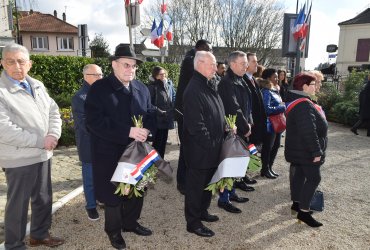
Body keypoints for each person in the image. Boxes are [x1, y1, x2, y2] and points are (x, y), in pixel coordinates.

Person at [85, 44, 156, 249]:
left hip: (137, 150)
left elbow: (149, 113)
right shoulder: (100, 88)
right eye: (126, 65)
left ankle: (131, 223)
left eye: (134, 66)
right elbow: (94, 121)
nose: (131, 69)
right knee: (114, 194)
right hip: (109, 152)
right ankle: (114, 231)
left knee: (137, 189)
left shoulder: (141, 88)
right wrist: (128, 131)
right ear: (114, 65)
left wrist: (147, 131)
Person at [0, 43, 64, 249]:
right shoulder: (2, 92)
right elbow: (4, 129)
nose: (16, 66)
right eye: (10, 61)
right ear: (2, 63)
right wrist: (40, 141)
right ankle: (14, 245)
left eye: (21, 61)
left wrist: (53, 133)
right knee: (18, 205)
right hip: (19, 158)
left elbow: (54, 110)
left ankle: (39, 235)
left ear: (30, 64)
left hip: (43, 154)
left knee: (44, 198)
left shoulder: (37, 84)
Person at [183, 51, 225, 237]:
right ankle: (193, 222)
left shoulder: (208, 84)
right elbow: (196, 125)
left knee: (208, 184)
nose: (215, 68)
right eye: (212, 64)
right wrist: (211, 144)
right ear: (200, 64)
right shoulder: (193, 89)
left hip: (212, 147)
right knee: (195, 188)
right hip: (200, 150)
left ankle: (203, 211)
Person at [285, 72, 327, 227]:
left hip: (299, 149)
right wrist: (316, 151)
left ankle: (296, 204)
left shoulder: (298, 101)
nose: (316, 87)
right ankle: (303, 211)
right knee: (314, 178)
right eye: (313, 84)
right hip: (305, 150)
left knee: (299, 175)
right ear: (304, 86)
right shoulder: (303, 104)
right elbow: (308, 130)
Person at [174, 39, 213, 195]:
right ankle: (182, 182)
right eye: (208, 50)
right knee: (186, 148)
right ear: (199, 48)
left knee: (189, 148)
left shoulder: (193, 57)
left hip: (188, 110)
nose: (210, 53)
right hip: (185, 111)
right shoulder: (191, 60)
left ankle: (186, 180)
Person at [217, 51, 251, 213]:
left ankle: (231, 192)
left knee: (236, 163)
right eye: (243, 63)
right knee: (228, 165)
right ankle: (224, 199)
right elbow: (233, 107)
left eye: (246, 63)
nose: (246, 66)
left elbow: (246, 105)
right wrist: (245, 126)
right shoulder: (227, 82)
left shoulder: (240, 79)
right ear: (232, 64)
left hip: (241, 128)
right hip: (232, 129)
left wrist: (249, 122)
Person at [72, 64, 103, 221]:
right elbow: (84, 124)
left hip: (103, 143)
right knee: (90, 177)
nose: (100, 77)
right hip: (89, 143)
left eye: (101, 74)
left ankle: (99, 198)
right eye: (96, 75)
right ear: (86, 76)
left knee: (102, 174)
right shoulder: (80, 97)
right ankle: (91, 206)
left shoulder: (102, 93)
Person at [260, 68, 286, 179]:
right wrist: (282, 107)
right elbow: (267, 109)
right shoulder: (266, 91)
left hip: (277, 124)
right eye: (274, 77)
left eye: (277, 77)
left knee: (275, 147)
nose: (277, 79)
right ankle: (265, 169)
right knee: (268, 148)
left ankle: (269, 167)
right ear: (268, 78)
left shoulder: (274, 90)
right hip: (270, 124)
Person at [148, 66, 176, 158]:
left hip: (167, 117)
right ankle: (155, 163)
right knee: (157, 142)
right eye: (160, 74)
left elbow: (173, 96)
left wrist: (174, 107)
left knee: (163, 141)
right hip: (158, 118)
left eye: (164, 74)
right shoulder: (152, 86)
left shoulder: (169, 84)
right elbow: (149, 103)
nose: (163, 76)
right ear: (155, 76)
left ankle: (161, 162)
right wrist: (160, 111)